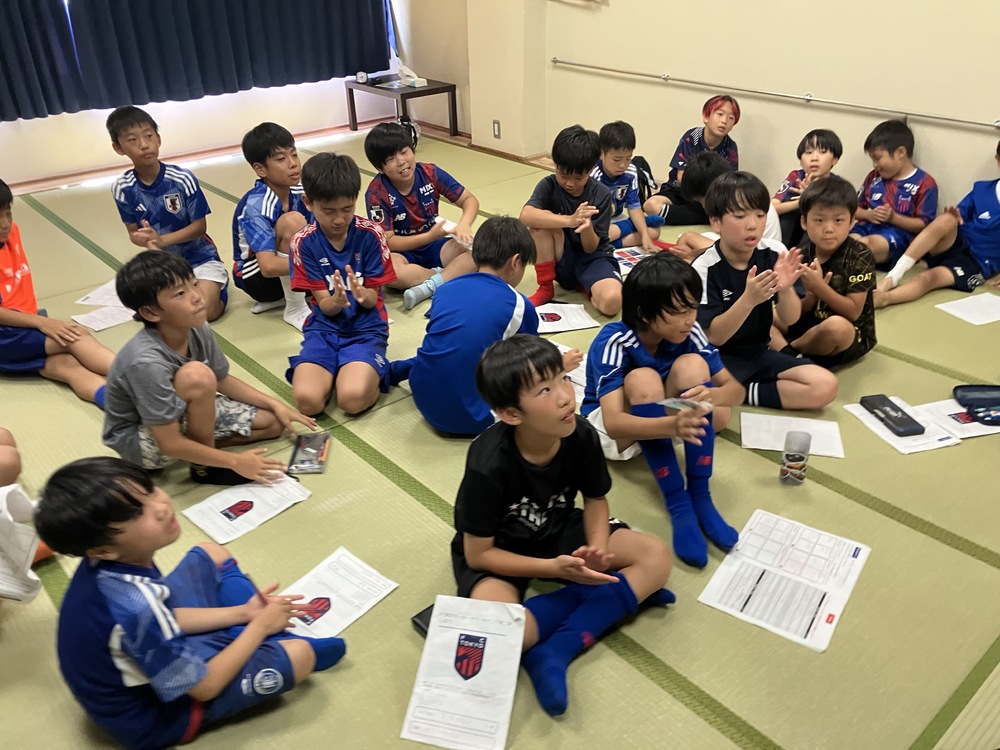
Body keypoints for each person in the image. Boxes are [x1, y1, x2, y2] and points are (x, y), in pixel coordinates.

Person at [34, 456, 346, 749]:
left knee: (211, 552)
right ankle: (270, 640)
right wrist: (259, 628)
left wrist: (244, 613)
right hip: (162, 714)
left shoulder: (109, 563)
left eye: (149, 490)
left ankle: (247, 636)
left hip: (150, 648)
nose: (161, 506)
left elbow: (165, 614)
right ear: (102, 549)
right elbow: (204, 688)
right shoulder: (135, 606)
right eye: (135, 513)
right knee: (301, 655)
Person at [452, 334, 672, 716]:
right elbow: (478, 554)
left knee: (656, 556)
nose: (565, 397)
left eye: (564, 378)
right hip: (500, 550)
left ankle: (558, 648)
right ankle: (612, 598)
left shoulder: (580, 433)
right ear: (511, 414)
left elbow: (595, 499)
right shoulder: (488, 462)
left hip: (556, 527)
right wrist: (553, 569)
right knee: (497, 639)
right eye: (544, 390)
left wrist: (598, 549)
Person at [581, 254, 744, 567]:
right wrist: (672, 426)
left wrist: (713, 394)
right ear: (644, 312)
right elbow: (614, 424)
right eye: (677, 311)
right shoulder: (615, 340)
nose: (689, 319)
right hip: (613, 433)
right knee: (643, 378)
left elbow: (735, 391)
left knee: (694, 366)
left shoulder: (689, 332)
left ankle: (700, 494)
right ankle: (678, 502)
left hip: (661, 417)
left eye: (692, 307)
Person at [103, 251, 316, 485]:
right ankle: (205, 466)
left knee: (273, 423)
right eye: (180, 293)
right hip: (142, 439)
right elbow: (168, 443)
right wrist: (235, 462)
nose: (197, 297)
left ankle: (199, 448)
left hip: (180, 410)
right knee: (197, 376)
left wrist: (275, 404)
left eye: (194, 284)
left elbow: (222, 379)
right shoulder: (145, 361)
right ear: (151, 312)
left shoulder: (196, 325)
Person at [392, 215, 581, 436]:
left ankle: (391, 371)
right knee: (537, 403)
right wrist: (560, 367)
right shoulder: (519, 304)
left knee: (449, 350)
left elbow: (446, 345)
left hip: (421, 394)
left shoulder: (445, 290)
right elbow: (532, 363)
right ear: (515, 262)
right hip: (471, 416)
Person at [693, 172, 838, 410]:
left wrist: (786, 288)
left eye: (760, 215)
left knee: (825, 385)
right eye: (740, 216)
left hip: (758, 353)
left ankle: (742, 393)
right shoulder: (704, 268)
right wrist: (748, 300)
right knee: (701, 402)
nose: (753, 224)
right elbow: (714, 337)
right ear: (716, 223)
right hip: (717, 361)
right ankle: (732, 390)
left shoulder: (773, 252)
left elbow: (790, 318)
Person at [286, 152, 396, 417]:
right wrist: (335, 301)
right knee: (308, 402)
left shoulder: (371, 235)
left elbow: (373, 299)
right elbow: (324, 305)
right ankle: (342, 370)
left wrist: (363, 295)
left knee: (351, 401)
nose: (339, 219)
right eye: (329, 211)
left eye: (347, 209)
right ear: (308, 202)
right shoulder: (302, 242)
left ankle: (370, 370)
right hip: (324, 328)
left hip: (366, 329)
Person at [107, 106, 229, 322]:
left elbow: (200, 227)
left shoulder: (182, 179)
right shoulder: (122, 188)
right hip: (162, 269)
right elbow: (133, 233)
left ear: (158, 139)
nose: (144, 145)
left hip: (200, 259)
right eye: (132, 140)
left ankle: (216, 291)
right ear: (119, 148)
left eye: (148, 136)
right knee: (161, 313)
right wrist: (144, 240)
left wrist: (161, 240)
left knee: (204, 313)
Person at [0, 179, 113, 406]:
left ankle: (128, 407)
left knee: (67, 365)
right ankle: (147, 379)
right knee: (75, 337)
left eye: (8, 214)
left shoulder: (12, 232)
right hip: (6, 335)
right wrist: (43, 323)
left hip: (20, 325)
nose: (5, 224)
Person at [363, 122, 479, 309]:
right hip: (402, 253)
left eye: (404, 152)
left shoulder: (430, 173)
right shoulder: (377, 193)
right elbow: (389, 242)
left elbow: (469, 200)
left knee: (480, 251)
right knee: (389, 272)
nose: (401, 161)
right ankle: (444, 276)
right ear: (380, 168)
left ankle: (428, 286)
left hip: (436, 246)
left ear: (412, 149)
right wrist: (429, 236)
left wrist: (464, 224)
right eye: (391, 159)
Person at [875, 140, 1000, 307]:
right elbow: (959, 215)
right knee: (947, 218)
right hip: (953, 243)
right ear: (998, 160)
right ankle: (892, 277)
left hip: (977, 262)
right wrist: (954, 216)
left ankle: (884, 298)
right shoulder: (982, 189)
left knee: (927, 278)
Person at [774, 176, 876, 367]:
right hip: (809, 326)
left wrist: (819, 288)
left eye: (838, 220)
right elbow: (797, 312)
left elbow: (853, 312)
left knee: (837, 328)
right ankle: (792, 355)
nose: (829, 229)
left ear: (851, 222)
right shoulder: (802, 253)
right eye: (819, 220)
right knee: (764, 314)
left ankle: (789, 351)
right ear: (804, 222)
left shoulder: (860, 255)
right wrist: (810, 297)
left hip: (849, 335)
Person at [520, 125, 622, 315]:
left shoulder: (601, 194)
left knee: (612, 303)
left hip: (593, 260)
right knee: (539, 225)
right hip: (562, 261)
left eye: (578, 177)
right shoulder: (549, 185)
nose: (569, 183)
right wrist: (569, 220)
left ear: (591, 169)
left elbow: (591, 248)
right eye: (563, 175)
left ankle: (587, 286)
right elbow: (526, 216)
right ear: (555, 165)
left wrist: (586, 228)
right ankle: (545, 287)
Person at [232, 122, 312, 330]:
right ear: (260, 169)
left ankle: (292, 295)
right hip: (258, 279)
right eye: (281, 159)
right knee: (292, 221)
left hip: (293, 269)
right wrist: (320, 264)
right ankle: (295, 308)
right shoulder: (256, 205)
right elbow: (268, 267)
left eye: (294, 154)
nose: (293, 164)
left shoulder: (300, 191)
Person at [850, 119, 938, 266]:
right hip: (865, 227)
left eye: (878, 158)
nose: (875, 165)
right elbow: (853, 209)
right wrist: (868, 215)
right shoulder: (873, 177)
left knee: (864, 247)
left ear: (900, 153)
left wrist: (893, 218)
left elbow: (925, 225)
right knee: (842, 243)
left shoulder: (925, 183)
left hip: (898, 235)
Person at [643, 95, 741, 225]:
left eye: (731, 118)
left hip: (709, 198)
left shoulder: (730, 147)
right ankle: (703, 218)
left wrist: (707, 199)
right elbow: (681, 177)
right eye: (720, 114)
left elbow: (729, 182)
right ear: (706, 117)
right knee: (650, 205)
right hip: (681, 191)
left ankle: (678, 216)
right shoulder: (692, 137)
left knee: (731, 209)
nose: (724, 121)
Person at [669, 154, 785, 263]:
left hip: (750, 252)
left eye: (702, 201)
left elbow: (735, 249)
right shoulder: (739, 195)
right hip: (742, 248)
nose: (704, 207)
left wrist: (696, 257)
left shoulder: (738, 203)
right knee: (686, 240)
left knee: (687, 238)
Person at [591, 121, 662, 252]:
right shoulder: (594, 175)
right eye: (617, 160)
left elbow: (634, 207)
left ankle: (613, 243)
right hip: (597, 223)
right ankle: (626, 228)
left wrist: (645, 236)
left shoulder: (631, 172)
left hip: (617, 219)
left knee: (654, 233)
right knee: (595, 237)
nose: (623, 165)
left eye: (628, 159)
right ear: (601, 153)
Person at [771, 129, 843, 249]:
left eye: (822, 152)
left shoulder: (837, 184)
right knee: (790, 199)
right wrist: (801, 202)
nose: (814, 158)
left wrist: (812, 198)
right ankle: (779, 252)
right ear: (801, 161)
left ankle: (804, 255)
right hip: (788, 235)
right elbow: (772, 208)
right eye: (808, 152)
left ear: (834, 160)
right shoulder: (796, 177)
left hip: (818, 240)